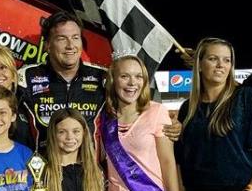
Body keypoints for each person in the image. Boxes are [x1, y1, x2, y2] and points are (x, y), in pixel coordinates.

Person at [18, 10, 181, 155]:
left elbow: (137, 105)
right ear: (47, 45)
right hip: (45, 176)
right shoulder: (26, 78)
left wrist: (168, 122)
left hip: (91, 178)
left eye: (75, 38)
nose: (70, 45)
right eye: (62, 39)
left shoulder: (101, 77)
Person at [175, 37, 252, 191]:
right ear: (199, 64)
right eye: (213, 58)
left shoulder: (246, 97)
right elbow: (180, 163)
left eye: (227, 60)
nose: (221, 65)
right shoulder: (187, 109)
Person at [101, 54, 182, 191]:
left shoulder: (157, 111)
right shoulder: (104, 117)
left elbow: (168, 162)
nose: (132, 83)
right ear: (113, 80)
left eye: (138, 76)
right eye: (125, 76)